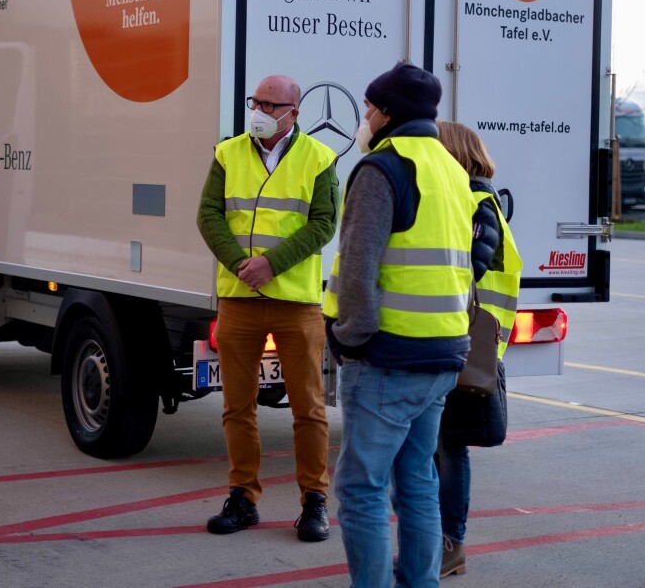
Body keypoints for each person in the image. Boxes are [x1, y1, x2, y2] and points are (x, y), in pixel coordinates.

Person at [323, 62, 476, 588]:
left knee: (361, 488)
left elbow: (359, 268)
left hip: (388, 358)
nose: (363, 117)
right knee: (417, 483)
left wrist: (348, 339)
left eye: (368, 108)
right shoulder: (453, 170)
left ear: (387, 114)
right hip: (442, 355)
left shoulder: (382, 169)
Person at [196, 74, 339, 542]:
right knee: (237, 406)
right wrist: (240, 264)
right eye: (254, 101)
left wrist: (271, 264)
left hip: (296, 302)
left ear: (293, 114)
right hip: (239, 298)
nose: (256, 110)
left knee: (309, 408)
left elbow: (324, 224)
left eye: (268, 104)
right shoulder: (228, 152)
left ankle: (314, 501)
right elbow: (208, 215)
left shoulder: (319, 159)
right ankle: (243, 498)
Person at [433, 121, 523, 578]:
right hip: (463, 341)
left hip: (466, 344)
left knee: (449, 445)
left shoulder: (476, 203)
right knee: (440, 445)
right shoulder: (473, 200)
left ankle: (451, 544)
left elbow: (466, 269)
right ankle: (442, 543)